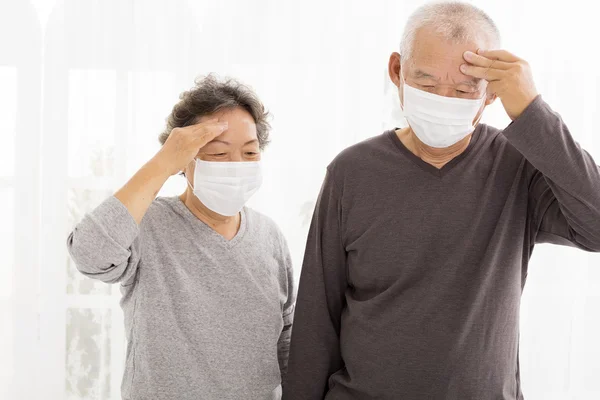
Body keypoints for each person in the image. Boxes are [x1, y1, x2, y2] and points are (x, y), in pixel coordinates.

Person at [283, 2, 600, 400]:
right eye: (427, 84)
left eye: (465, 89)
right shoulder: (352, 172)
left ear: (489, 94)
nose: (443, 100)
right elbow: (317, 320)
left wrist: (532, 112)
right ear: (397, 71)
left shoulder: (520, 167)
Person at [67, 75, 295, 400]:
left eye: (249, 152)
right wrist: (162, 163)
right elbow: (89, 254)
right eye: (218, 154)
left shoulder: (269, 235)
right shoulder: (147, 224)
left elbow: (285, 336)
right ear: (184, 160)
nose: (236, 165)